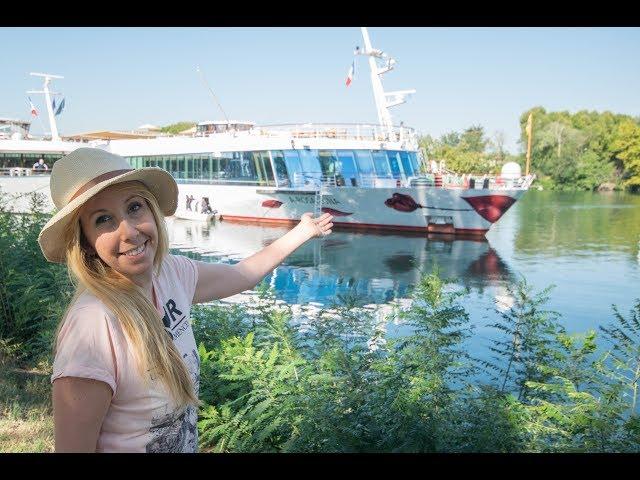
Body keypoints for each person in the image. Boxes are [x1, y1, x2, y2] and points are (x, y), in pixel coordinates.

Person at [39, 147, 333, 453]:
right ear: (85, 242)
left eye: (135, 207)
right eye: (103, 220)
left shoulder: (169, 274)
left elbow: (242, 275)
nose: (129, 231)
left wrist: (302, 232)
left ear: (152, 210)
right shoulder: (91, 327)